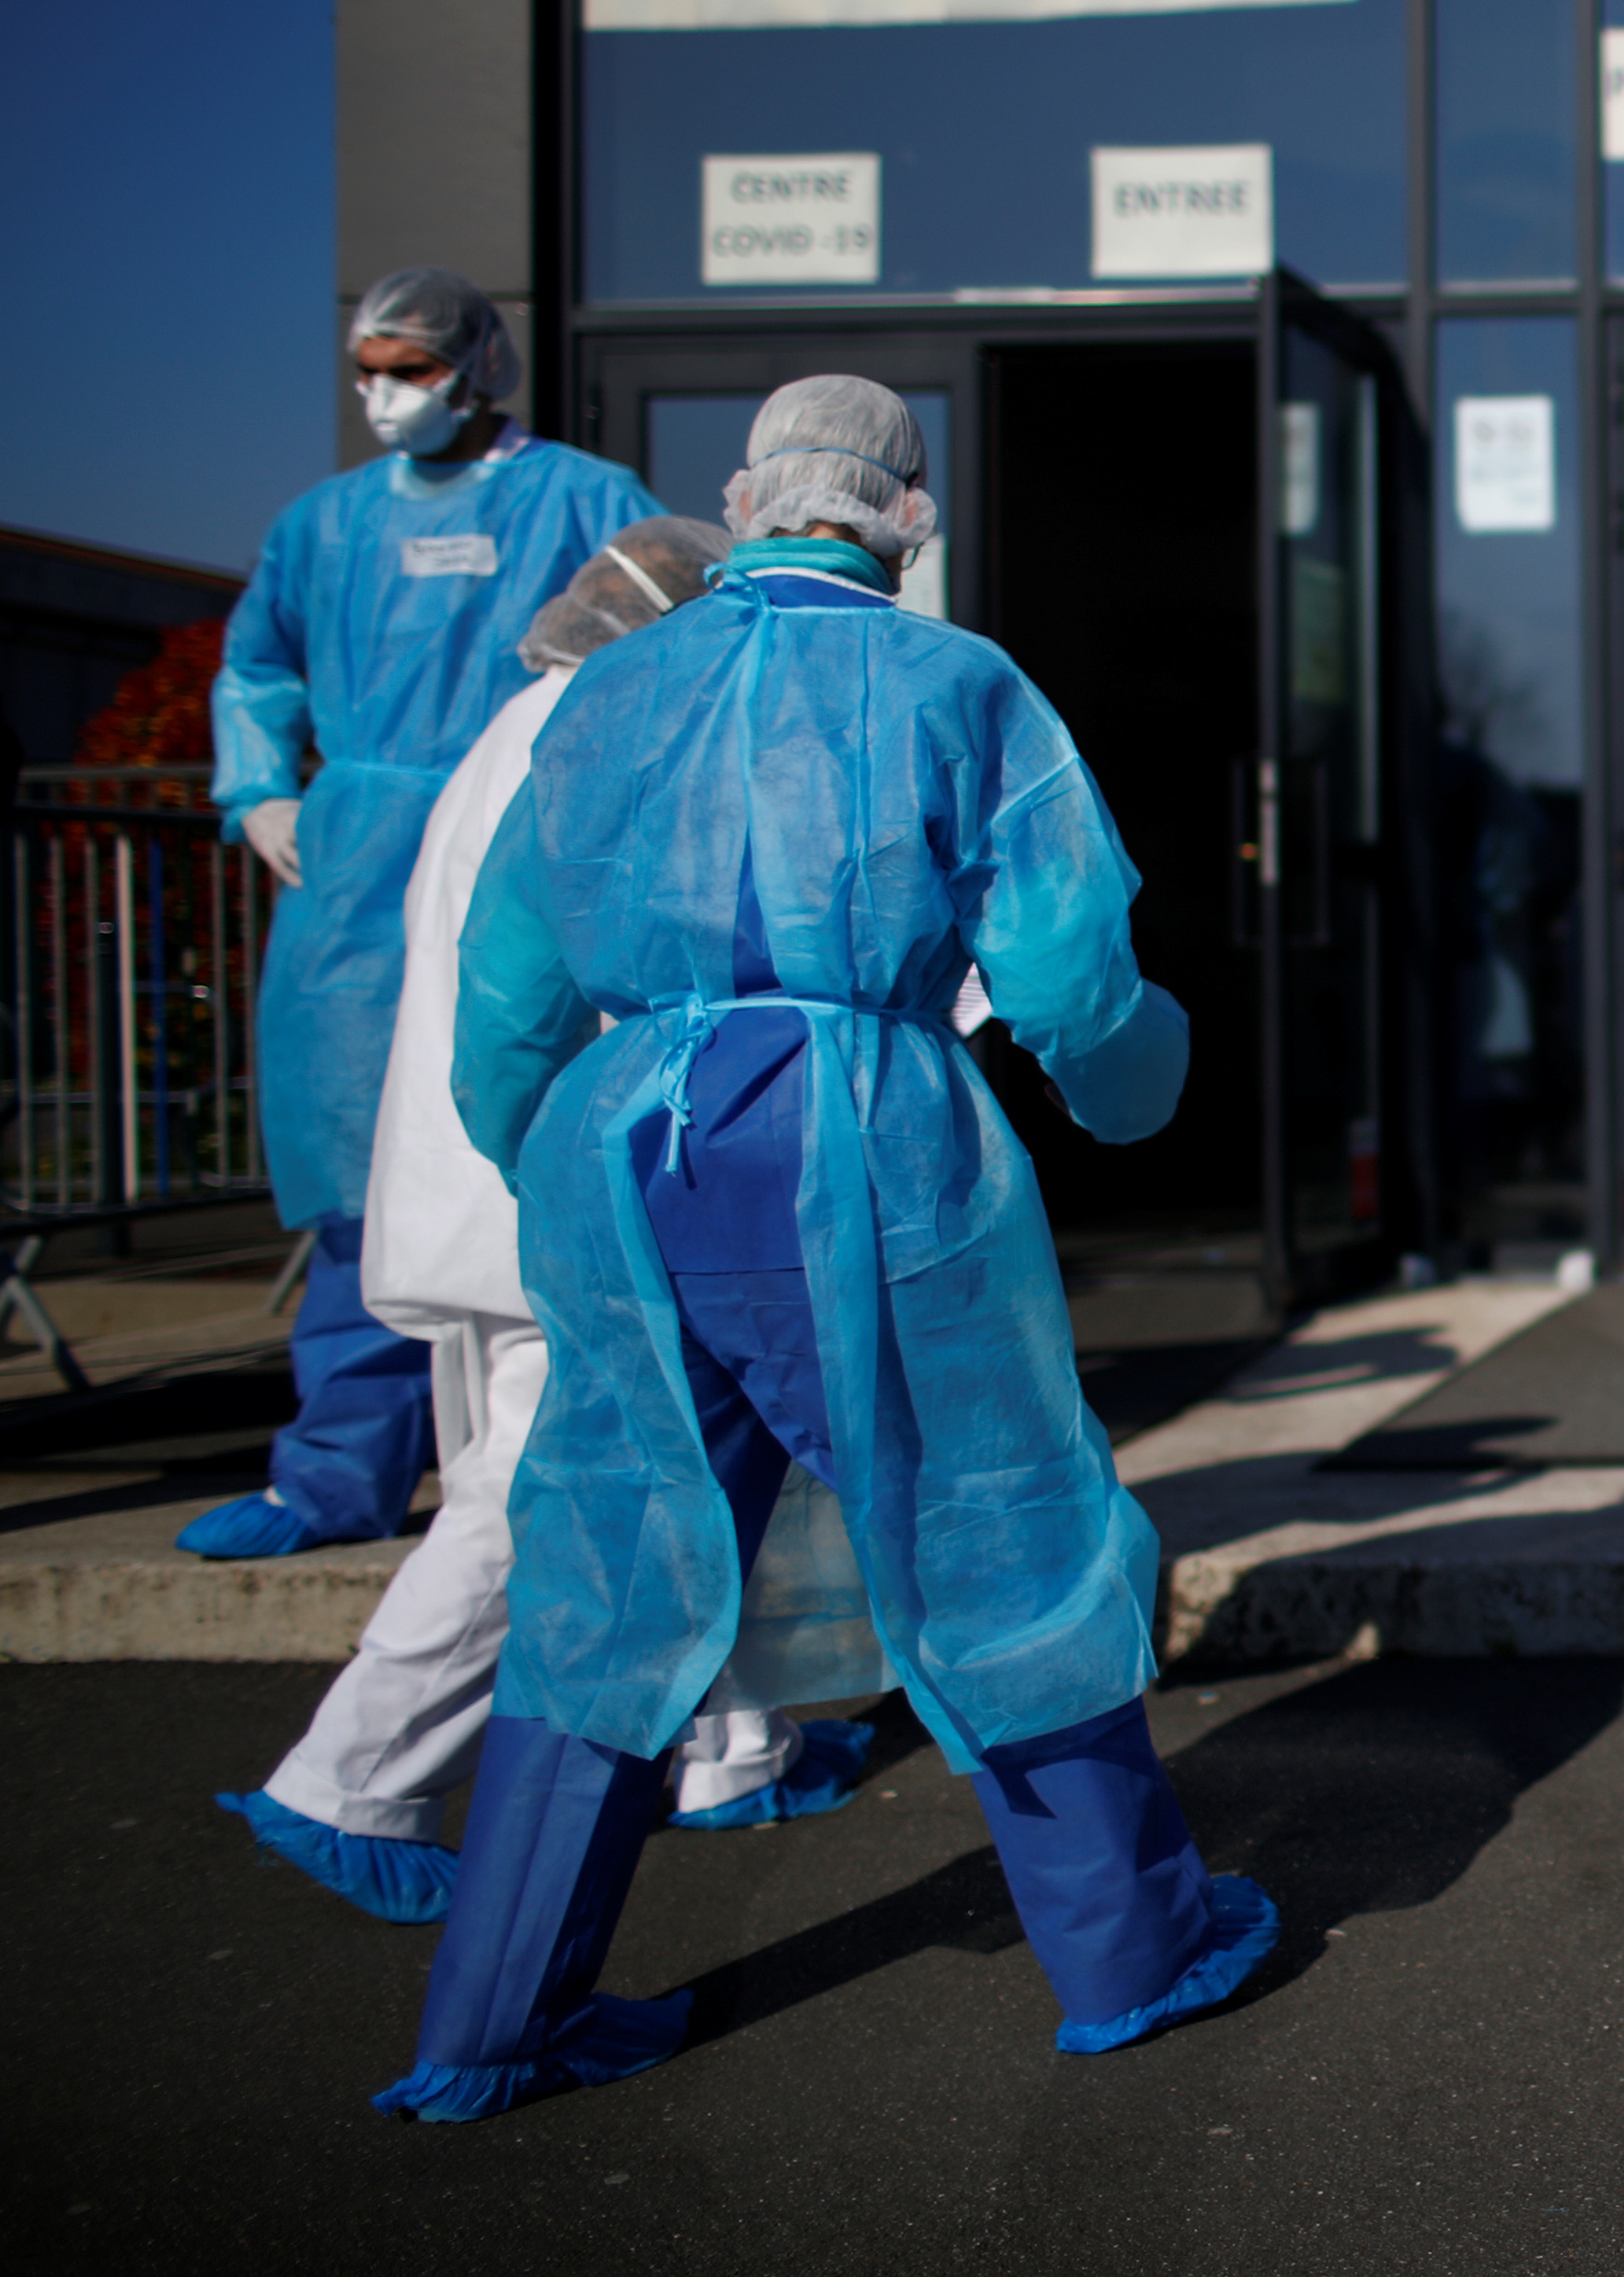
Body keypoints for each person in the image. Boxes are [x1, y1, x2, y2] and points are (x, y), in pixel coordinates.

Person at [377, 378, 1270, 2122]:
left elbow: (508, 994)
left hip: (623, 1149)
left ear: (752, 496)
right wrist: (1138, 1090)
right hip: (865, 1142)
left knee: (601, 1587)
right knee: (999, 1545)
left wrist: (563, 1154)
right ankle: (1130, 1953)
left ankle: (490, 2024)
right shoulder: (960, 685)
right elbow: (1079, 986)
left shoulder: (608, 690)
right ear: (906, 516)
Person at [216, 517, 877, 1927]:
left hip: (485, 1178)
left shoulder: (522, 720)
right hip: (538, 1186)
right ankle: (347, 1779)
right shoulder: (594, 726)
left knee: (668, 1478)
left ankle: (732, 1753)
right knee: (523, 1503)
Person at [183, 270, 662, 1561]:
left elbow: (658, 647)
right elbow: (258, 663)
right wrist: (259, 793)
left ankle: (552, 1458)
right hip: (351, 878)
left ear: (475, 367)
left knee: (529, 1140)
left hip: (521, 834)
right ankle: (335, 1474)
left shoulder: (582, 500)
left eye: (410, 367)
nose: (385, 393)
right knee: (358, 1169)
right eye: (370, 369)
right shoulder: (322, 525)